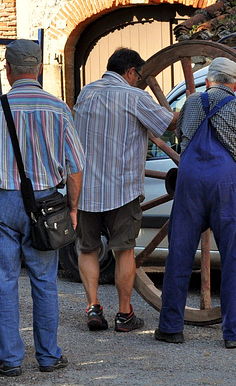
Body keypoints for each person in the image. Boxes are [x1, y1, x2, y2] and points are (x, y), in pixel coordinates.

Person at [0, 39, 85, 377]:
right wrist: (72, 208)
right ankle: (48, 356)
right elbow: (75, 166)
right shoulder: (59, 109)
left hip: (2, 201)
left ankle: (10, 359)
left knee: (3, 279)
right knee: (45, 279)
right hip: (47, 203)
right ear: (40, 68)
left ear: (9, 70)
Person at [155, 57, 236, 348]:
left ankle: (171, 327)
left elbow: (180, 139)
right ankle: (234, 333)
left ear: (208, 81)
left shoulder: (192, 104)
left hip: (189, 183)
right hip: (226, 186)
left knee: (180, 254)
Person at [74, 47, 178, 332]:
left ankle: (93, 307)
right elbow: (168, 123)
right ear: (130, 72)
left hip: (87, 190)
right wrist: (189, 108)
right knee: (124, 252)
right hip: (122, 190)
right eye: (137, 75)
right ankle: (124, 315)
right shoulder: (134, 96)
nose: (138, 80)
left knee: (88, 249)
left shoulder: (86, 93)